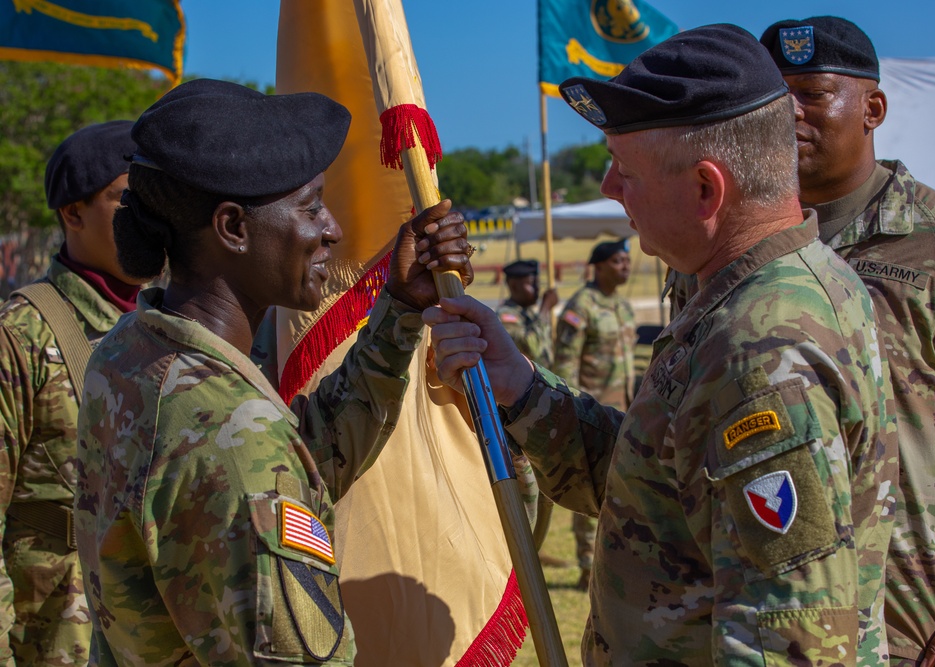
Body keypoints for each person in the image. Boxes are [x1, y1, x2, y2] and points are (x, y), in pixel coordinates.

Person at [423, 24, 896, 665]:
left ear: (706, 189)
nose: (609, 189)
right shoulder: (768, 290)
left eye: (626, 171)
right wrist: (522, 389)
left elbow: (790, 643)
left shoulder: (760, 348)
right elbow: (662, 496)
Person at [73, 79, 473, 666]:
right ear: (233, 228)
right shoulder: (234, 434)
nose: (332, 229)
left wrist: (399, 311)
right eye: (311, 206)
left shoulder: (131, 352)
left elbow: (306, 457)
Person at [758, 17, 935, 667]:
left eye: (811, 92)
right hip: (760, 621)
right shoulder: (728, 247)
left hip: (908, 622)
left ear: (874, 108)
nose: (788, 111)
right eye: (773, 93)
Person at [0, 121, 141, 665]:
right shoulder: (24, 334)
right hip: (60, 643)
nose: (146, 219)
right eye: (126, 200)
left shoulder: (167, 326)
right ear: (73, 213)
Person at [552, 239, 635, 589]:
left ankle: (618, 561)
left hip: (625, 411)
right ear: (598, 266)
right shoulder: (581, 306)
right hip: (592, 413)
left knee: (625, 490)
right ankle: (588, 566)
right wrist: (571, 409)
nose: (625, 267)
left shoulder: (623, 306)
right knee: (591, 489)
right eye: (618, 261)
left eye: (627, 261)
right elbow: (565, 361)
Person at [494, 259, 563, 563]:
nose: (533, 287)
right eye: (526, 282)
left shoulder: (527, 315)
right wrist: (546, 310)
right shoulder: (506, 317)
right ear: (511, 284)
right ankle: (521, 560)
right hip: (516, 418)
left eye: (535, 281)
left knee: (549, 493)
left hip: (542, 411)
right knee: (528, 492)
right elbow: (531, 343)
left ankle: (534, 552)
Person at [496, 259, 558, 368]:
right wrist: (545, 309)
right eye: (531, 284)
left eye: (538, 284)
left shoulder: (528, 312)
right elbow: (532, 347)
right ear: (514, 286)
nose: (537, 289)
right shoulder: (506, 316)